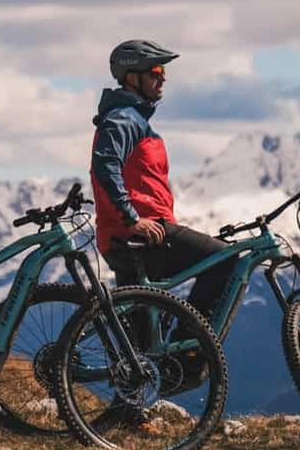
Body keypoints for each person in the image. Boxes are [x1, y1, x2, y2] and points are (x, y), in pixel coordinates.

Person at [90, 40, 237, 342]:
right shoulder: (124, 118)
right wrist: (133, 219)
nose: (163, 78)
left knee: (141, 351)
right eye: (156, 71)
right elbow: (105, 165)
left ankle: (150, 382)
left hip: (129, 235)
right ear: (132, 77)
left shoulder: (133, 118)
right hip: (140, 232)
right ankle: (190, 350)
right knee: (225, 260)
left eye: (164, 71)